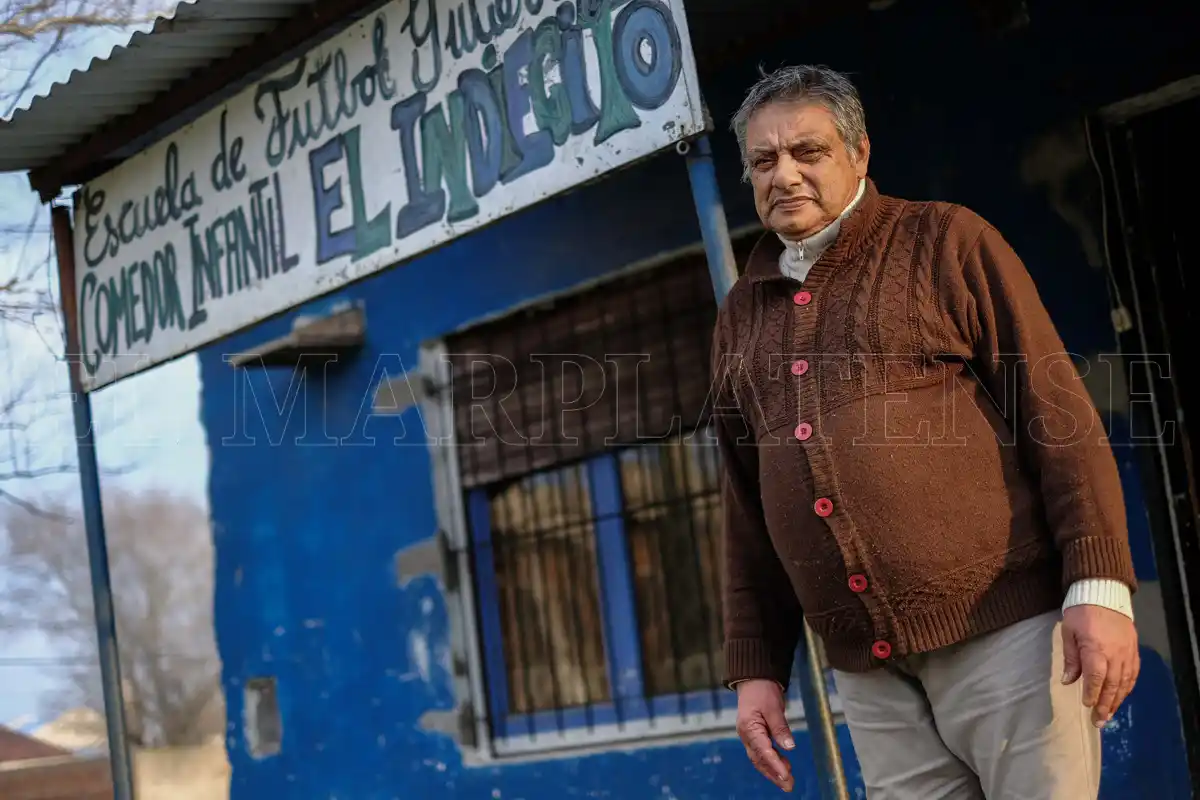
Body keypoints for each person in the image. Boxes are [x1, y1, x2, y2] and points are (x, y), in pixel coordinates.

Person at [713, 64, 1139, 799]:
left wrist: (1099, 590)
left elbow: (1058, 417)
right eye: (763, 160)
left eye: (807, 152)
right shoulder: (740, 315)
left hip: (1008, 637)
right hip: (870, 676)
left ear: (860, 154)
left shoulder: (944, 240)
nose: (783, 174)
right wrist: (755, 668)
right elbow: (746, 509)